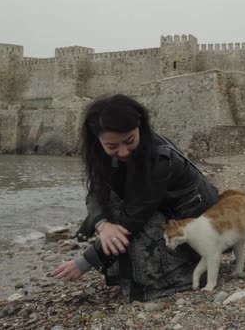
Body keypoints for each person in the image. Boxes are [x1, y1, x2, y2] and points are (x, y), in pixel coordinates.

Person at [52, 94, 219, 302]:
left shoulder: (160, 159)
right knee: (110, 204)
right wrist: (103, 225)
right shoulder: (101, 155)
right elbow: (96, 191)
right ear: (98, 140)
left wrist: (85, 262)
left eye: (129, 141)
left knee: (121, 212)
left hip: (206, 231)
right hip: (174, 218)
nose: (122, 152)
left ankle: (183, 274)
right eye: (112, 146)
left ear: (140, 127)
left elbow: (133, 220)